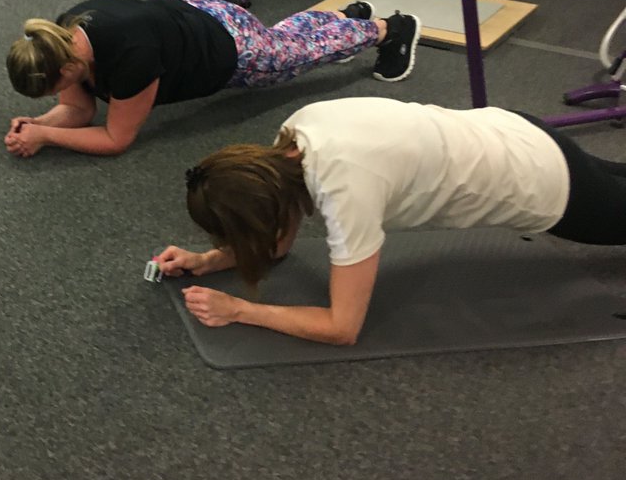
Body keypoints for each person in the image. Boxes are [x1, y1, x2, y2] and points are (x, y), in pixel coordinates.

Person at [156, 97, 626, 346]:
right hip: (514, 129)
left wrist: (240, 310)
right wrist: (209, 260)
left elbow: (341, 328)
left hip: (545, 184)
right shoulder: (295, 134)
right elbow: (279, 240)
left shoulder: (346, 191)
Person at [4, 0, 420, 157]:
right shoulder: (62, 38)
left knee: (294, 58)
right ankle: (345, 18)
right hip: (192, 11)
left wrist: (47, 137)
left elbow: (116, 138)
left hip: (228, 44)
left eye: (54, 88)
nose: (56, 96)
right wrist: (39, 125)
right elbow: (78, 110)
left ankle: (389, 29)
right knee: (282, 40)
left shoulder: (131, 56)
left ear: (69, 68)